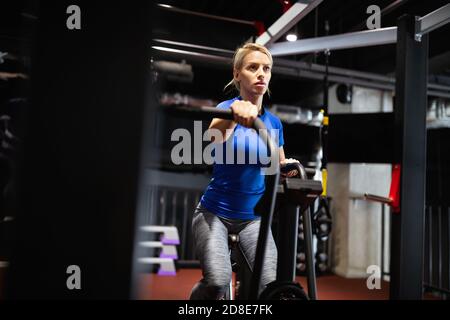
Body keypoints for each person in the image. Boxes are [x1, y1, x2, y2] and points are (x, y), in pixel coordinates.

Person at [189, 42, 299, 300]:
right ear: (237, 74)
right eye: (253, 67)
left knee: (268, 285)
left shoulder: (273, 123)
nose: (261, 73)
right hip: (214, 213)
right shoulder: (226, 109)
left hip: (253, 218)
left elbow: (278, 165)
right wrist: (233, 113)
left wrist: (288, 169)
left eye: (267, 68)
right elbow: (215, 136)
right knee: (217, 282)